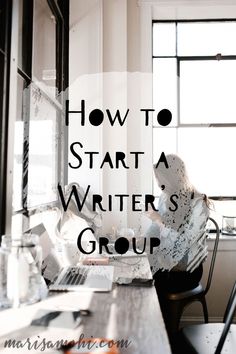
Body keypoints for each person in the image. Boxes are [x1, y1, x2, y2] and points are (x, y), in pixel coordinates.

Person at [145, 154, 210, 294]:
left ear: (172, 179)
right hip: (167, 264)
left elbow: (184, 245)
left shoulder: (198, 203)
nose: (158, 183)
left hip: (186, 270)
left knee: (147, 282)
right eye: (156, 179)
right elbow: (154, 232)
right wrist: (137, 240)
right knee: (137, 273)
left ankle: (158, 315)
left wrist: (160, 221)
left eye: (160, 179)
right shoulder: (164, 198)